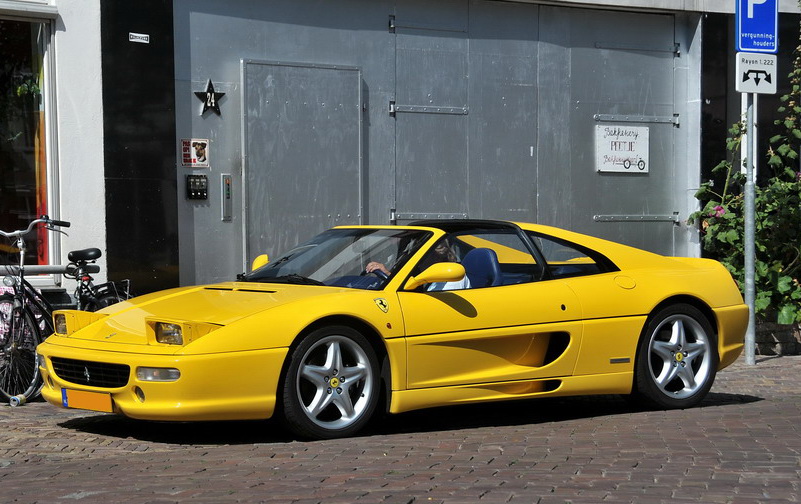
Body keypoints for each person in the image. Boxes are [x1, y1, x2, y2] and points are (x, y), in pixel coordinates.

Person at [365, 238, 471, 291]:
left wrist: (389, 276)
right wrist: (389, 275)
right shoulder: (422, 273)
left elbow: (433, 306)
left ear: (438, 255)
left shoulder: (451, 276)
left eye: (422, 255)